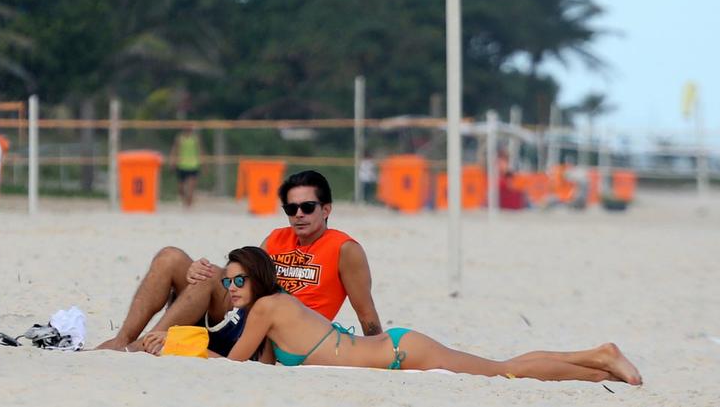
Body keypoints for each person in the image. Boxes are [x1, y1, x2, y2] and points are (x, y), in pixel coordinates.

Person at [158, 246, 641, 385]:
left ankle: (598, 353)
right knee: (502, 368)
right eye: (227, 282)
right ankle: (596, 369)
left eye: (238, 280)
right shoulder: (274, 312)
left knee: (503, 369)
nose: (231, 289)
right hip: (392, 352)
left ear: (259, 280)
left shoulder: (266, 307)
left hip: (399, 351)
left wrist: (173, 345)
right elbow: (263, 367)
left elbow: (232, 367)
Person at [97, 170, 382, 353]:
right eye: (291, 208)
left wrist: (377, 349)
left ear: (327, 209)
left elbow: (365, 312)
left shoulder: (345, 249)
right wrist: (199, 269)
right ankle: (123, 340)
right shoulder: (275, 238)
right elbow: (241, 274)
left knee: (210, 279)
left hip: (278, 335)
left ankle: (144, 345)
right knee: (171, 257)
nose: (298, 215)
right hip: (241, 313)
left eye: (307, 207)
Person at [169, 125, 202, 208]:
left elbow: (200, 150)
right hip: (181, 165)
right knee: (181, 189)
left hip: (193, 165)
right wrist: (172, 161)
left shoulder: (195, 139)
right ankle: (185, 202)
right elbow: (175, 150)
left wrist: (204, 163)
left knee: (191, 187)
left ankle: (189, 206)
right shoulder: (179, 139)